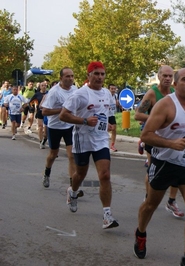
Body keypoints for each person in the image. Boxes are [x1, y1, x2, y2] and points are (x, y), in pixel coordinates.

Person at [133, 68, 185, 266]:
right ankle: (140, 233)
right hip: (164, 164)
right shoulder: (165, 105)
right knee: (150, 205)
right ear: (175, 84)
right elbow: (146, 135)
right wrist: (171, 143)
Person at [59, 61, 119, 229]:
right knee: (80, 173)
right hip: (82, 139)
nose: (100, 77)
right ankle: (72, 191)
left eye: (102, 74)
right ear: (89, 76)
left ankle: (107, 215)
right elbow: (64, 115)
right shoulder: (80, 94)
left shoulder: (107, 93)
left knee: (105, 175)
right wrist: (84, 120)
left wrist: (106, 124)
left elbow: (104, 114)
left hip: (100, 139)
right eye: (96, 74)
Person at [134, 65, 184, 218]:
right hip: (154, 138)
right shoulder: (152, 93)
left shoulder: (175, 93)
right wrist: (157, 120)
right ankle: (149, 196)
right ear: (159, 76)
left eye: (170, 76)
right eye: (165, 76)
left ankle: (171, 201)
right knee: (153, 170)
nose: (168, 78)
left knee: (178, 169)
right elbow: (137, 115)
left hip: (173, 137)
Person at [40, 68, 80, 193]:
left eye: (72, 76)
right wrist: (62, 110)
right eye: (67, 76)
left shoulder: (75, 90)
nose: (70, 79)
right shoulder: (54, 92)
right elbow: (44, 111)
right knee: (53, 154)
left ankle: (72, 186)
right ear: (61, 78)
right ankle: (47, 173)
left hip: (69, 126)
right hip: (55, 127)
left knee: (72, 156)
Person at [29, 82, 48, 148]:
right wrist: (32, 107)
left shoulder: (49, 93)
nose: (44, 87)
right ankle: (40, 141)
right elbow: (31, 102)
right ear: (40, 87)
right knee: (40, 127)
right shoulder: (37, 94)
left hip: (47, 112)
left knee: (46, 130)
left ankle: (45, 139)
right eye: (42, 85)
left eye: (45, 85)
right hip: (40, 112)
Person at [108, 84, 120, 152]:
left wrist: (118, 105)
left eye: (114, 89)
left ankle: (112, 145)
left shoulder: (115, 95)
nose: (113, 90)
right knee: (104, 130)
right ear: (109, 89)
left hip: (112, 114)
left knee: (114, 129)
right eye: (111, 89)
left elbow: (116, 103)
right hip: (106, 115)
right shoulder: (106, 95)